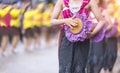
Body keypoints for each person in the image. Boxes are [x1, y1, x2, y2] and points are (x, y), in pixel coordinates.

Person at [51, 0, 105, 73]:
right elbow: (52, 21)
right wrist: (65, 21)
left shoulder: (90, 2)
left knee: (79, 68)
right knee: (65, 67)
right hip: (66, 39)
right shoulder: (62, 1)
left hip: (82, 40)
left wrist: (92, 34)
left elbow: (101, 21)